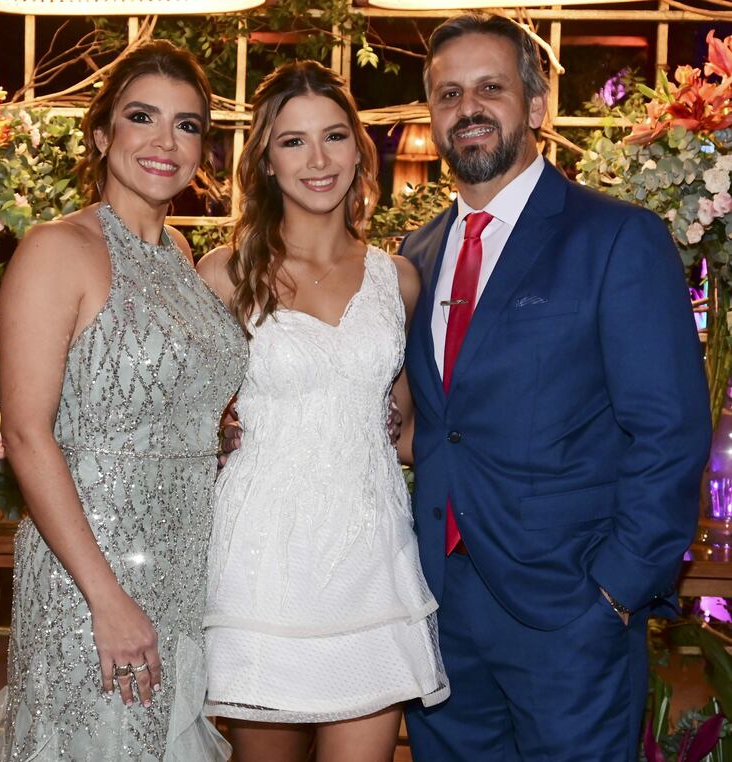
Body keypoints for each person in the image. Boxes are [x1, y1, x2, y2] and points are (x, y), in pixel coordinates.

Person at [399, 13, 712, 762]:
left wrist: (615, 591)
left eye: (490, 88)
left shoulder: (615, 237)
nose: (467, 108)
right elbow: (430, 421)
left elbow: (668, 430)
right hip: (436, 606)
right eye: (448, 94)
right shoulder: (417, 252)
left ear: (535, 106)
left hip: (569, 610)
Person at [0, 41, 246, 761]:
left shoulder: (183, 260)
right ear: (103, 134)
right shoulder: (55, 249)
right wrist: (105, 597)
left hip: (182, 569)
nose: (166, 143)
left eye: (188, 125)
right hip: (91, 581)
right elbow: (28, 434)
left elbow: (161, 404)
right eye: (143, 118)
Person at [197, 60, 449, 762]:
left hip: (370, 559)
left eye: (334, 137)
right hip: (260, 566)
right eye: (293, 141)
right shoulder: (223, 272)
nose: (318, 159)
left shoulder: (396, 278)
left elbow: (399, 425)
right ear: (267, 161)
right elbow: (185, 413)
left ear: (358, 151)